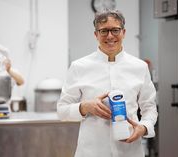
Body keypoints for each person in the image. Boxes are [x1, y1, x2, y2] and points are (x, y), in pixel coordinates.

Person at [57, 10, 158, 157]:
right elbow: (62, 110)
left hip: (129, 151)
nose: (110, 36)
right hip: (91, 151)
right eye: (104, 31)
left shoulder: (139, 67)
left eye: (115, 30)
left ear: (123, 32)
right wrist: (84, 107)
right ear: (96, 34)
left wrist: (144, 127)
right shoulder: (79, 67)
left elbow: (149, 107)